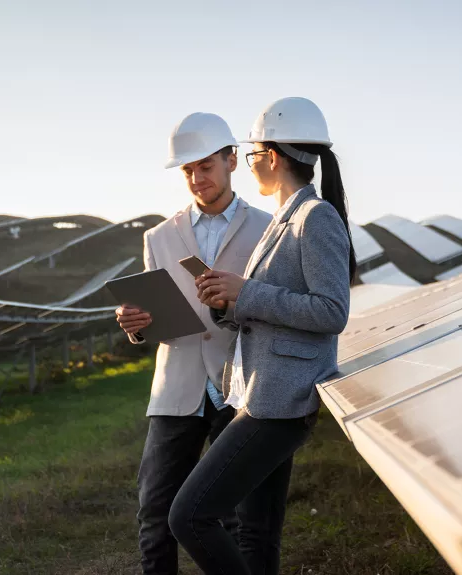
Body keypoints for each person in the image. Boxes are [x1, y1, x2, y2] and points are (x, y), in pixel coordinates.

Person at [168, 97, 357, 574]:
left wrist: (246, 291)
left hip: (279, 403)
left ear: (271, 156)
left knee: (189, 515)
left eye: (252, 157)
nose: (252, 167)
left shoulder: (315, 218)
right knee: (257, 533)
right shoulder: (286, 218)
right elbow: (273, 306)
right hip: (261, 393)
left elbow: (332, 310)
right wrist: (228, 303)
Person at [115, 111, 271, 575]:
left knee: (236, 514)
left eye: (205, 166)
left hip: (241, 386)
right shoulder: (158, 237)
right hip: (177, 387)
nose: (196, 178)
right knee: (155, 510)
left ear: (231, 160)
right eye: (187, 171)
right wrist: (134, 322)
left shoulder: (269, 228)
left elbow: (277, 305)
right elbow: (150, 316)